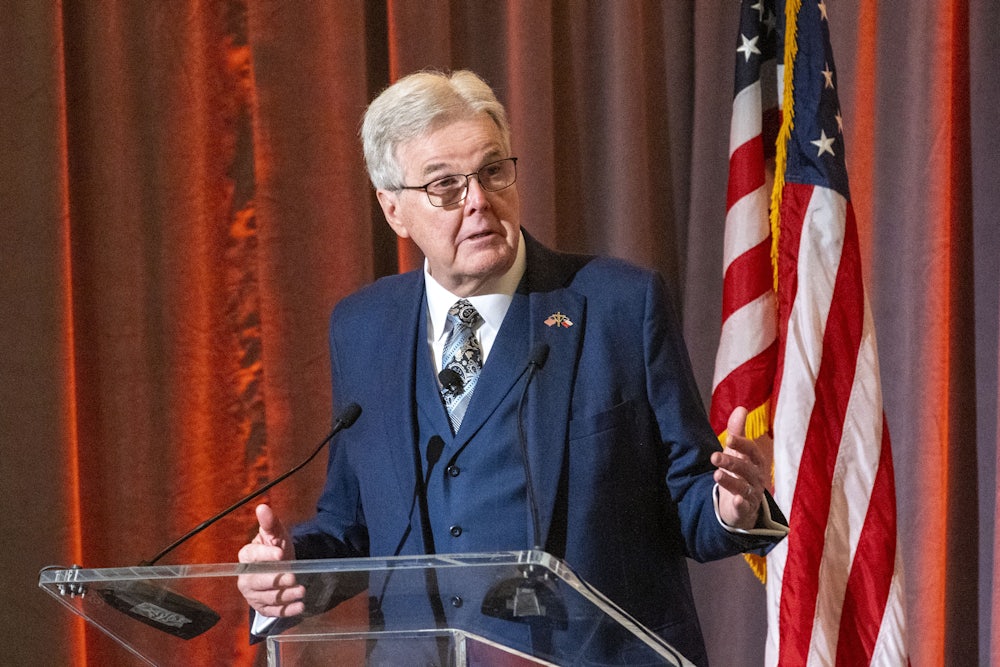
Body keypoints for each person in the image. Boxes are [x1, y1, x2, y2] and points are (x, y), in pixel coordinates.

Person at [237, 69, 787, 666]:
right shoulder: (364, 326)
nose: (478, 201)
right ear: (393, 209)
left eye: (493, 172)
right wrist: (290, 572)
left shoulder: (619, 305)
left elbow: (687, 499)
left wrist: (733, 507)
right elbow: (355, 524)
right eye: (445, 186)